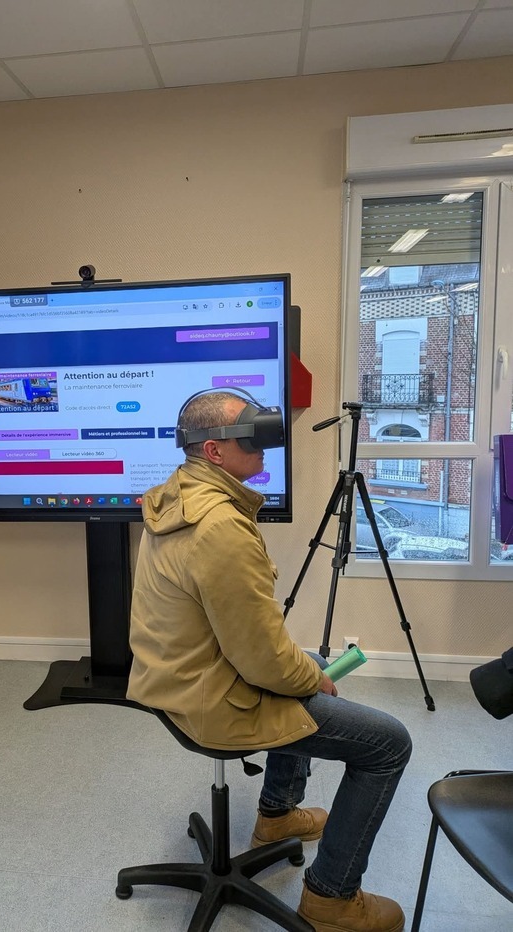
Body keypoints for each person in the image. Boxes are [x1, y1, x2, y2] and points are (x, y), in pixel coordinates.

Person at [127, 390, 412, 932]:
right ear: (213, 451)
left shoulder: (174, 495)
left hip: (176, 678)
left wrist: (306, 669)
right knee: (388, 743)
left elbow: (252, 642)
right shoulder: (220, 528)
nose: (265, 448)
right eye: (250, 438)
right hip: (214, 697)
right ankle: (330, 900)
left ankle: (276, 817)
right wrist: (313, 680)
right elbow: (263, 663)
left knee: (310, 659)